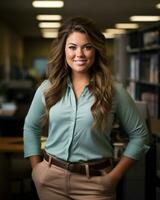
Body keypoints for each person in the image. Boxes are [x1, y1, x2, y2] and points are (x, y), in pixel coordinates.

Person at [23, 16, 150, 200]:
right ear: (64, 50)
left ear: (96, 50)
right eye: (72, 47)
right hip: (50, 182)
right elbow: (31, 127)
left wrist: (114, 177)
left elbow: (140, 136)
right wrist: (37, 170)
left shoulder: (114, 91)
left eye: (87, 47)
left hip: (96, 184)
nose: (79, 54)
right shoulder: (48, 87)